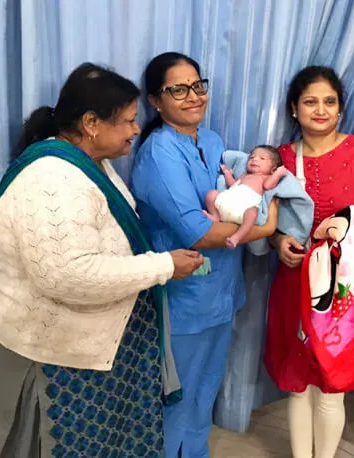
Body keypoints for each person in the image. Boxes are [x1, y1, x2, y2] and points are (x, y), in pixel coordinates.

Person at [0, 63, 204, 458]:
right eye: (128, 121)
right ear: (91, 123)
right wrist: (163, 266)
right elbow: (66, 275)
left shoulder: (94, 164)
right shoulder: (51, 179)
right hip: (53, 363)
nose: (135, 130)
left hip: (95, 357)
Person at [131, 52, 278, 458]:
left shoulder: (212, 142)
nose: (193, 96)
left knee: (206, 390)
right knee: (177, 396)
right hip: (183, 300)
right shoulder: (159, 152)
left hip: (222, 291)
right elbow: (198, 233)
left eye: (198, 86)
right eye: (178, 89)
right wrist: (266, 228)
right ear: (155, 101)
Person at [264, 65, 354, 458]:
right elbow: (264, 219)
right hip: (294, 281)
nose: (320, 110)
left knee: (332, 385)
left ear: (341, 108)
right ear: (294, 108)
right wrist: (278, 241)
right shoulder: (281, 158)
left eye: (329, 101)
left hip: (343, 290)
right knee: (297, 384)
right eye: (310, 101)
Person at [204, 145, 288, 248]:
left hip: (242, 211)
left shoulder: (266, 178)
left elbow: (267, 186)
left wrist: (278, 174)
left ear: (273, 169)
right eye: (252, 157)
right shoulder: (244, 176)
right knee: (211, 194)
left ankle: (237, 237)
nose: (254, 159)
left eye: (262, 158)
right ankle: (215, 215)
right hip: (227, 203)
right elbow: (232, 184)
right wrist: (227, 173)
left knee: (253, 212)